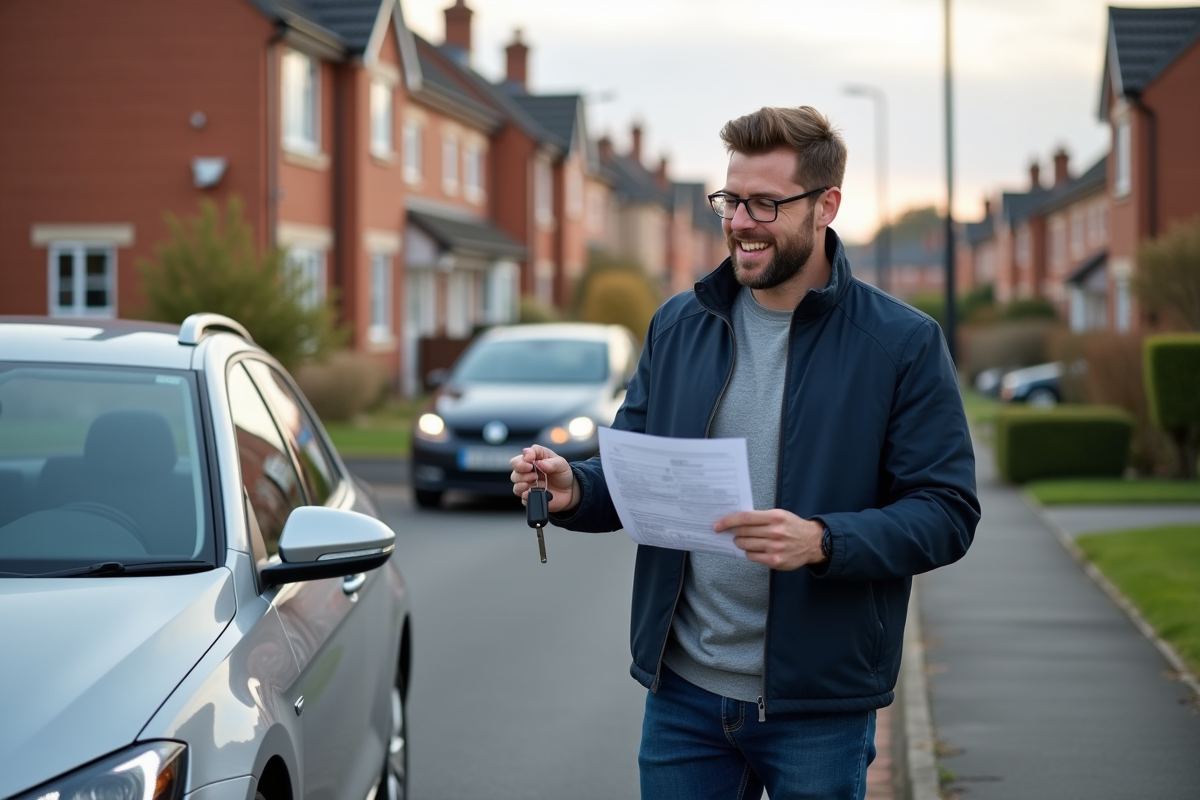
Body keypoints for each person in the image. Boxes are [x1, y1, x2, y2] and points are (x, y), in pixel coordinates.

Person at [510, 105, 979, 800]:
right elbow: (636, 471)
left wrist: (824, 541)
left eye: (765, 203)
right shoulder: (679, 324)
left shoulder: (901, 344)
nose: (739, 221)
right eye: (731, 200)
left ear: (826, 207)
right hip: (683, 696)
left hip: (818, 706)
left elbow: (947, 511)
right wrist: (578, 488)